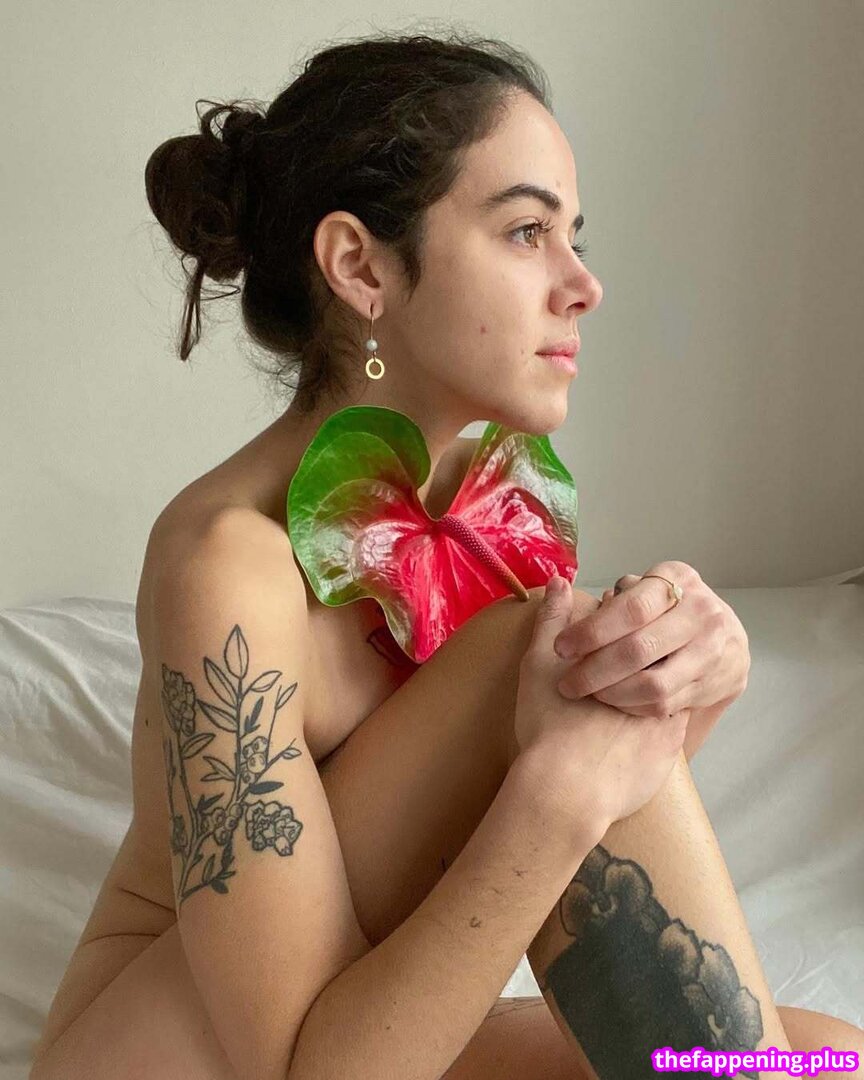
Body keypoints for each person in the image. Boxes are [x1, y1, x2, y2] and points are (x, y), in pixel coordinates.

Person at [31, 29, 864, 1080]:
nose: (583, 284)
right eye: (526, 232)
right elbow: (301, 1063)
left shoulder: (492, 512)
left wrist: (693, 680)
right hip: (186, 1055)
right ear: (361, 267)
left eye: (573, 237)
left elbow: (558, 849)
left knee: (830, 1059)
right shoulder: (226, 562)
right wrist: (557, 794)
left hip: (370, 1019)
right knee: (539, 654)